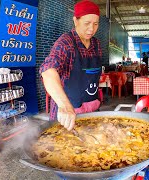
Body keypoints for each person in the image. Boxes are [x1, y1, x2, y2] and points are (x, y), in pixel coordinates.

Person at [39, 0, 102, 131]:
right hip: (67, 116)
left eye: (95, 24)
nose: (91, 29)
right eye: (87, 23)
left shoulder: (96, 44)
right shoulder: (66, 42)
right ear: (75, 21)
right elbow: (48, 71)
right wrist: (65, 106)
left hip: (92, 110)